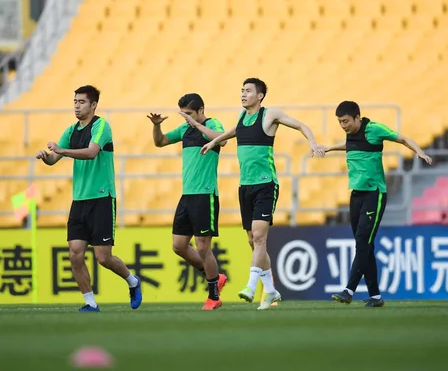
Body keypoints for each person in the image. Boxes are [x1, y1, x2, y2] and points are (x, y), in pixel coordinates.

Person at [201, 77, 324, 310]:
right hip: (245, 186)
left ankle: (250, 285)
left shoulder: (269, 115)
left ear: (260, 96)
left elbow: (301, 125)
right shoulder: (242, 116)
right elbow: (234, 131)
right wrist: (214, 142)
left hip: (266, 184)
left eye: (248, 91)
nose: (243, 94)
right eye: (241, 90)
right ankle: (271, 292)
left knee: (259, 237)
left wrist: (312, 142)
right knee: (252, 240)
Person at [36, 85, 142, 312]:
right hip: (79, 200)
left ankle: (133, 282)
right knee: (75, 254)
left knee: (103, 258)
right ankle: (90, 303)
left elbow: (91, 152)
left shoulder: (101, 126)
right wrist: (46, 157)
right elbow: (54, 159)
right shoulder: (70, 131)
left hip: (102, 198)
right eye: (75, 101)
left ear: (93, 105)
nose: (76, 105)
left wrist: (62, 152)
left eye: (81, 102)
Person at [322, 101, 432, 307]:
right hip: (356, 195)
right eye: (339, 122)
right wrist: (329, 148)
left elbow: (402, 138)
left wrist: (419, 151)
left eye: (345, 121)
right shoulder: (350, 133)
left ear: (357, 117)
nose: (343, 126)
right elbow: (350, 144)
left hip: (374, 194)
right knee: (365, 245)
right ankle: (375, 297)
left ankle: (348, 290)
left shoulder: (374, 129)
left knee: (363, 242)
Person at [147, 93, 228, 310]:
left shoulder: (212, 124)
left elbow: (223, 137)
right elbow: (160, 142)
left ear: (201, 110)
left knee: (203, 247)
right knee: (179, 245)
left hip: (205, 193)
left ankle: (213, 295)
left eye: (190, 114)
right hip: (187, 195)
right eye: (184, 115)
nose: (186, 119)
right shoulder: (185, 130)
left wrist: (196, 124)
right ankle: (214, 277)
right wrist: (156, 126)